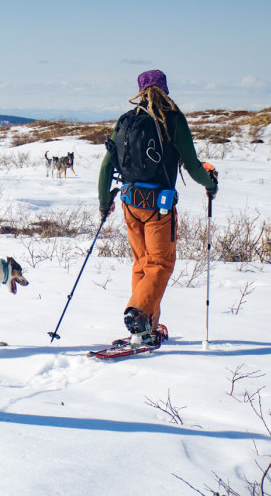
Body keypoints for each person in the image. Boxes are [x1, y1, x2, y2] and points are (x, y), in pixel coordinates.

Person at [97, 69, 217, 345]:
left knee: (143, 263)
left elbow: (106, 167)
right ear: (165, 89)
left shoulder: (126, 121)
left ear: (140, 91)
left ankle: (146, 327)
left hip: (129, 203)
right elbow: (192, 164)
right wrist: (209, 183)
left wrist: (105, 203)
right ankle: (138, 313)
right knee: (160, 262)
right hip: (159, 207)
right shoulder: (173, 120)